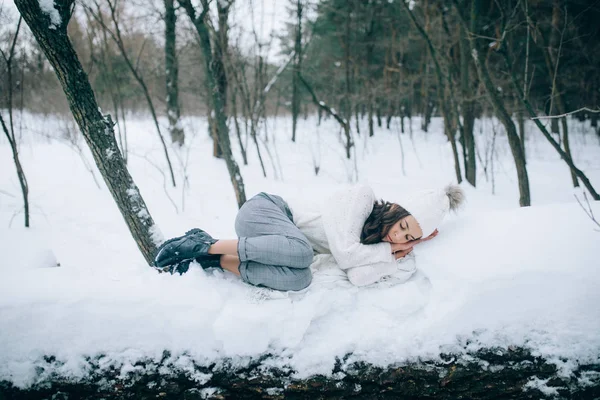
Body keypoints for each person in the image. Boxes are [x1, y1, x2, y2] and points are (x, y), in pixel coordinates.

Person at [153, 184, 464, 291]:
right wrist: (388, 252)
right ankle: (201, 242)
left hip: (274, 246)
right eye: (404, 226)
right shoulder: (362, 197)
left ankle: (214, 260)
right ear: (398, 209)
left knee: (300, 279)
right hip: (265, 210)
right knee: (302, 254)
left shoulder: (375, 245)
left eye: (409, 237)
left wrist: (394, 252)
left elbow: (358, 277)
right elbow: (344, 256)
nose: (400, 237)